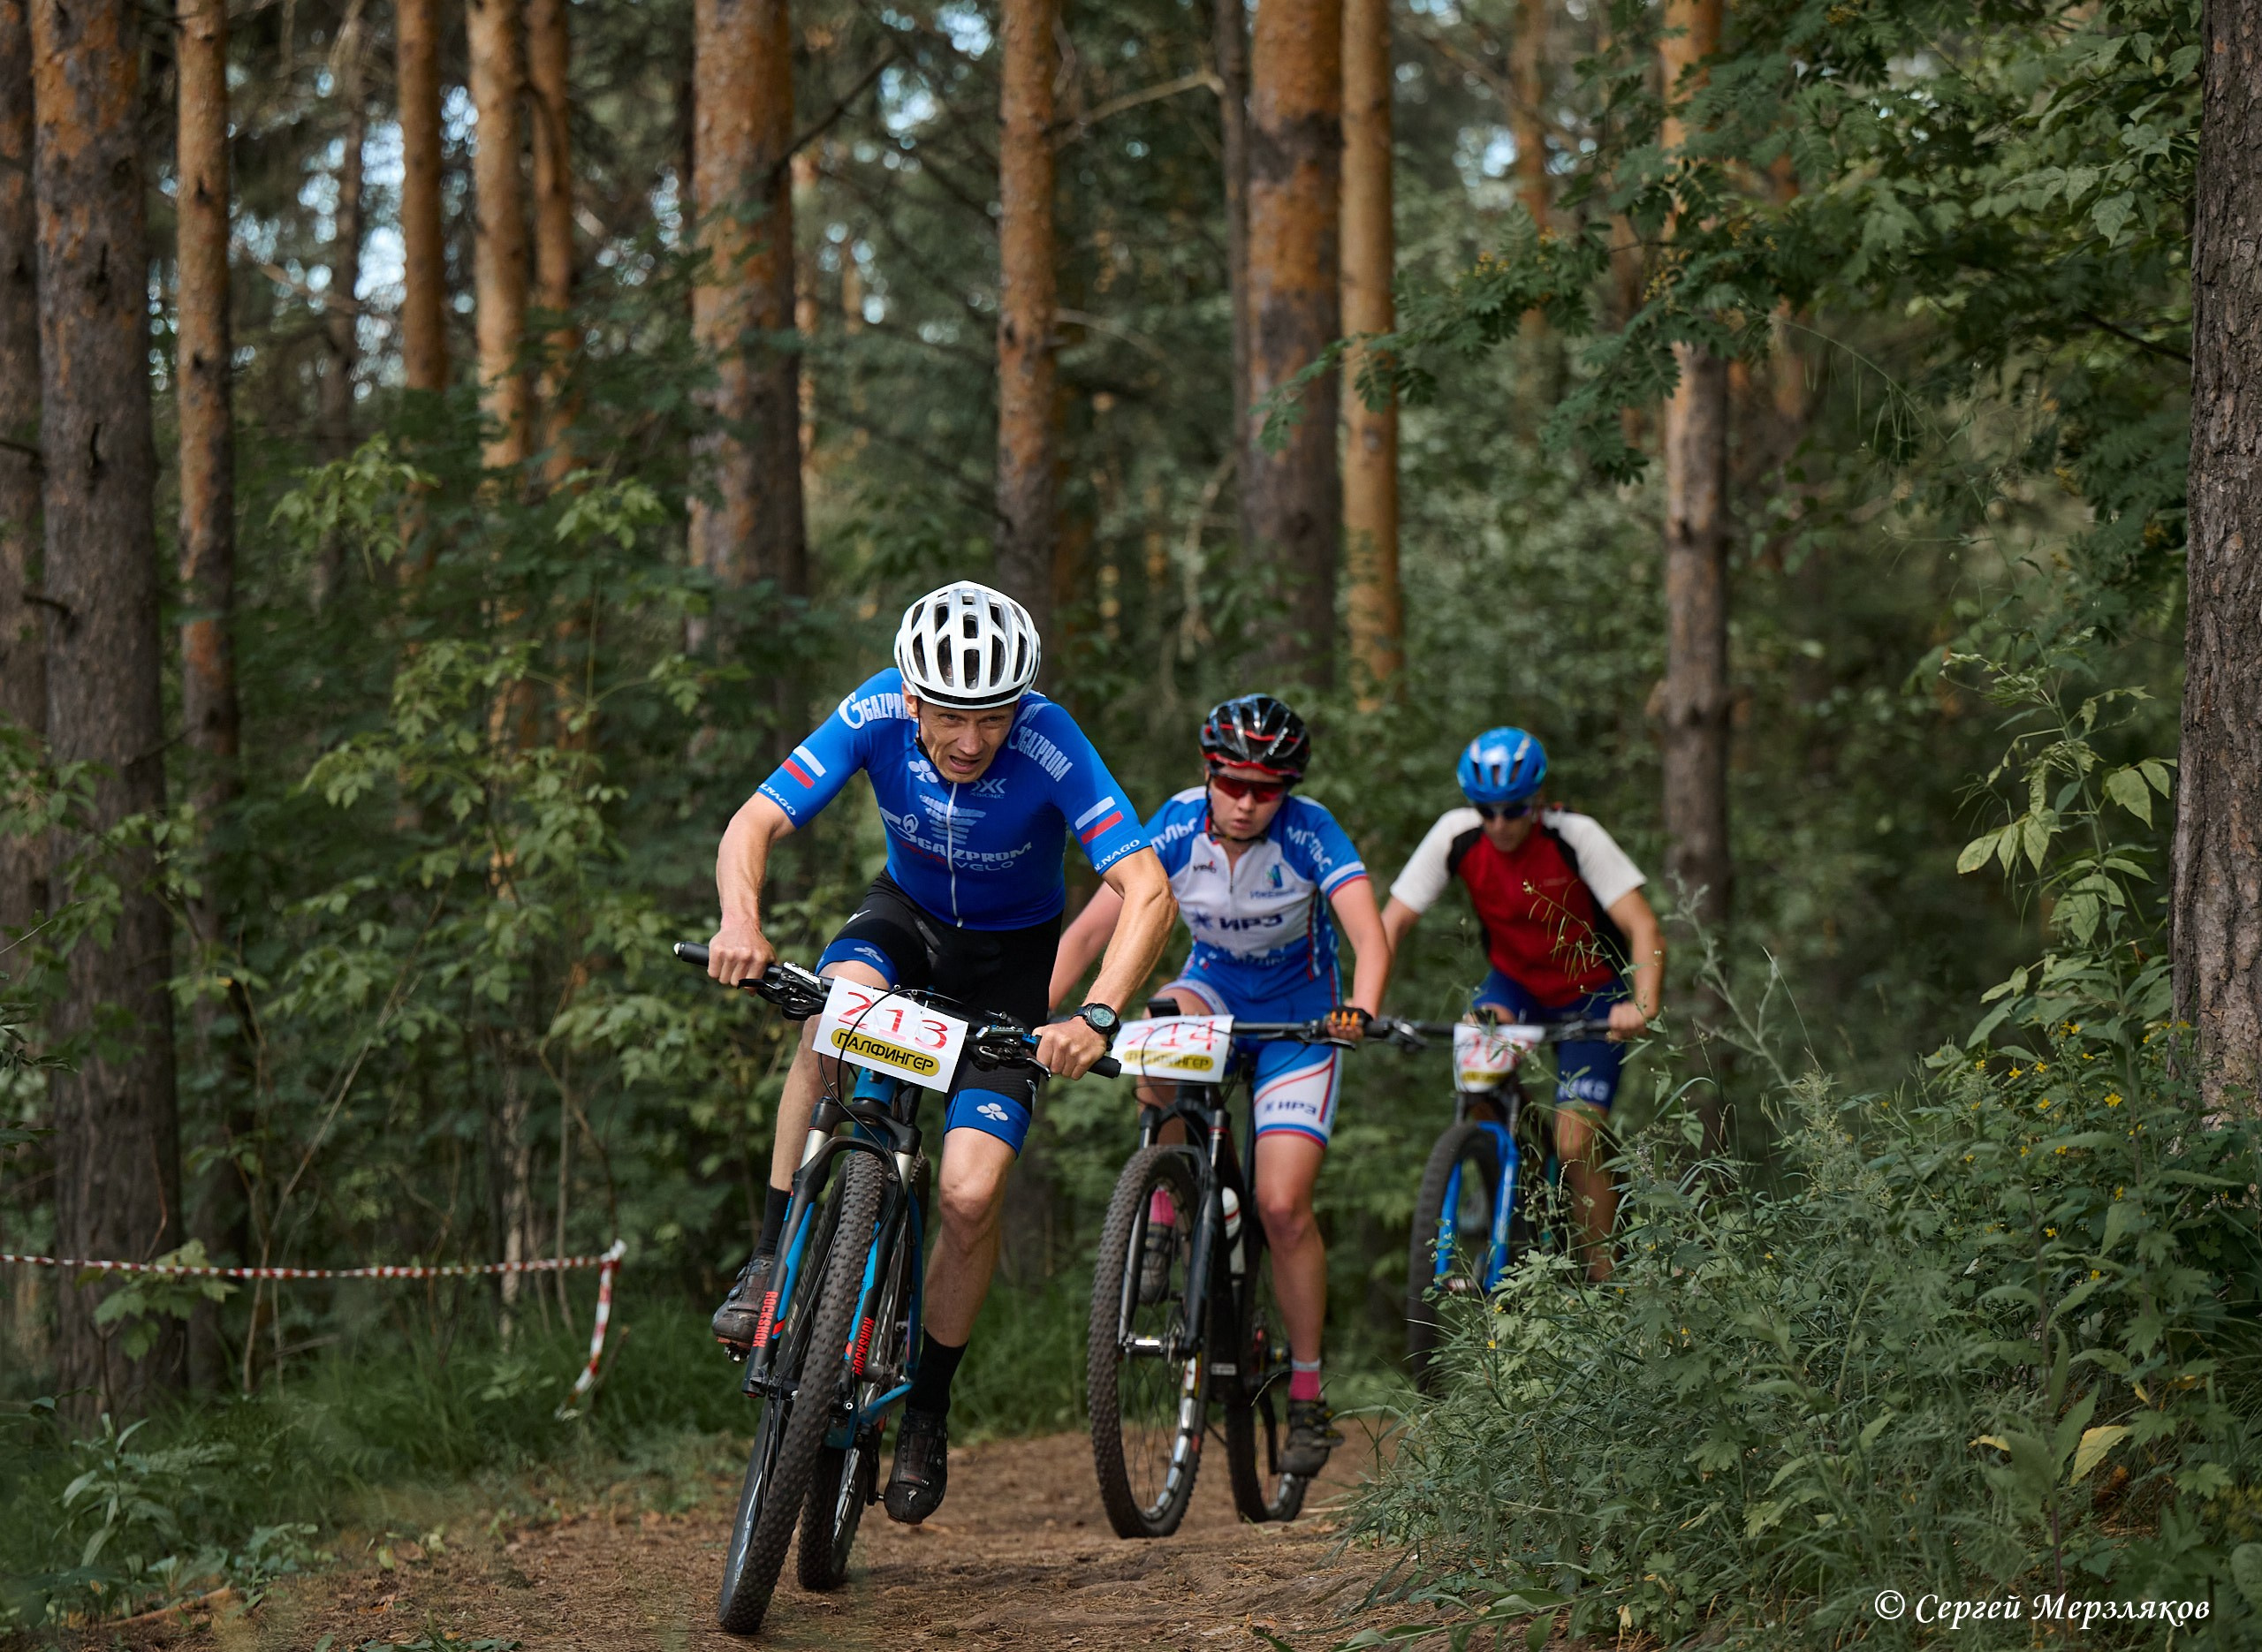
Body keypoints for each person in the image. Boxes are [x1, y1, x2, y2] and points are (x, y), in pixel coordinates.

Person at [702, 581, 1173, 1524]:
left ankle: (926, 1407)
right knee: (830, 1015)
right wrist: (741, 921)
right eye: (952, 715)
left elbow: (1145, 886)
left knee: (965, 1193)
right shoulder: (874, 706)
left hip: (1009, 968)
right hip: (904, 925)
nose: (970, 739)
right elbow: (755, 821)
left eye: (992, 715)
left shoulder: (1049, 740)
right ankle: (767, 1260)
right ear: (912, 698)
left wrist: (1097, 1015)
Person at [1051, 694, 1390, 1475]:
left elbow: (1367, 935)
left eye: (1266, 790)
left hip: (1299, 1023)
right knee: (1162, 1023)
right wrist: (1036, 1016)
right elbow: (1089, 933)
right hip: (1212, 992)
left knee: (1281, 1207)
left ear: (1289, 790)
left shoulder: (1310, 831)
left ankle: (1307, 1394)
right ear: (1208, 774)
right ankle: (1162, 1209)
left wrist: (1361, 1010)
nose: (1245, 803)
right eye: (1231, 783)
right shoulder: (1172, 824)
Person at [1379, 727, 1664, 1283]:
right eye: (1485, 811)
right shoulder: (1456, 837)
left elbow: (1642, 923)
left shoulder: (1574, 837)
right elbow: (1391, 923)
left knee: (1575, 1138)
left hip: (1593, 995)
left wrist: (1643, 1004)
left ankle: (1604, 1277)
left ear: (1536, 800)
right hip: (1513, 987)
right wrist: (1367, 1002)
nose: (1500, 823)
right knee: (1474, 1065)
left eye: (1513, 809)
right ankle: (1496, 1180)